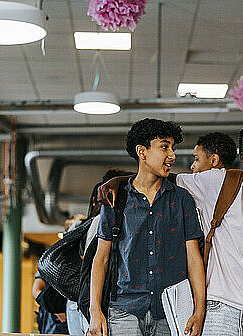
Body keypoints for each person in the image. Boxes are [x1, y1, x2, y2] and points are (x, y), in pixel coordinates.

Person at [99, 123, 243, 335]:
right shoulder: (217, 181)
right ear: (242, 155)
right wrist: (119, 180)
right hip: (218, 307)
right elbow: (164, 178)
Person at [88, 118, 206, 336]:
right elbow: (101, 258)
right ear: (142, 151)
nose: (172, 155)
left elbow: (194, 258)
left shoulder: (181, 199)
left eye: (173, 148)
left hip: (171, 312)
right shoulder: (116, 199)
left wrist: (199, 312)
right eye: (164, 147)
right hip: (124, 311)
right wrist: (95, 310)